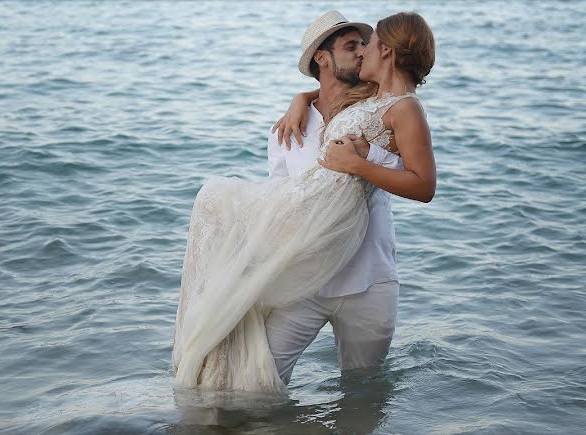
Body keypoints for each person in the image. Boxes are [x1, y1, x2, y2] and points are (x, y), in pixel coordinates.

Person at [172, 11, 436, 394]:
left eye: (369, 44)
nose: (363, 52)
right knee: (255, 385)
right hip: (306, 276)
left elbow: (423, 183)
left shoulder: (388, 104)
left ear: (388, 52)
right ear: (322, 59)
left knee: (363, 393)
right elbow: (282, 197)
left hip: (367, 277)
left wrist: (360, 164)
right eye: (352, 46)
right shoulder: (296, 125)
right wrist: (303, 98)